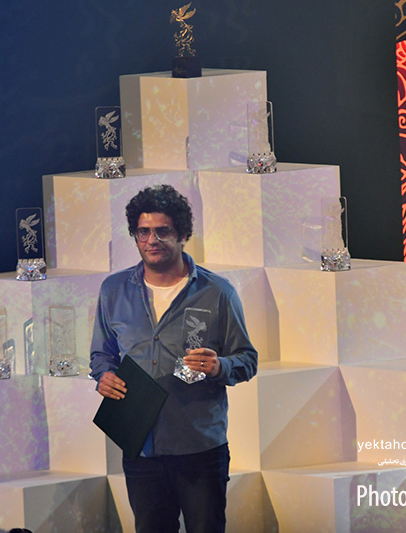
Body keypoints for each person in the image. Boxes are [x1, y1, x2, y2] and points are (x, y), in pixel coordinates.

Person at [90, 184, 258, 533]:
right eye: (143, 232)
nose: (152, 240)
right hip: (140, 444)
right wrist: (103, 374)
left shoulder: (217, 292)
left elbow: (247, 359)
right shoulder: (113, 290)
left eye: (163, 231)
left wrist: (220, 366)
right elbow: (102, 353)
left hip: (199, 447)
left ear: (182, 235)